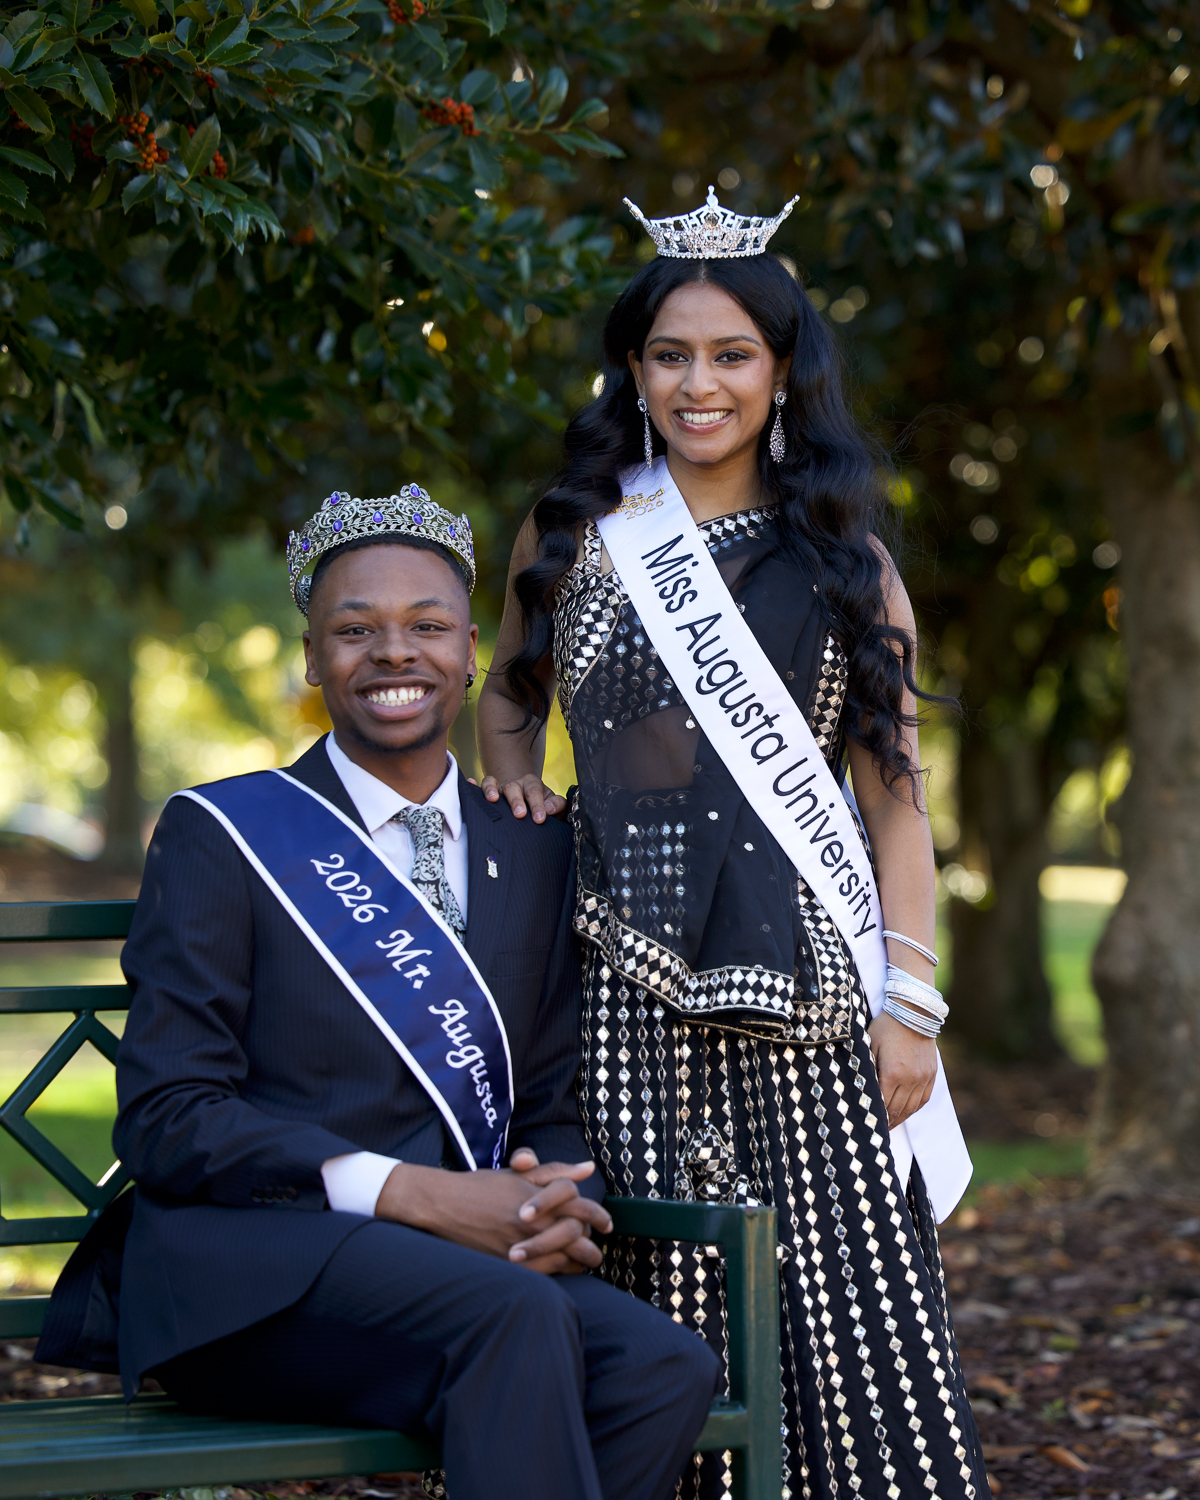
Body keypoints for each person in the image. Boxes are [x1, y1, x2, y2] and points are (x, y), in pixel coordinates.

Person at [36, 488, 719, 1500]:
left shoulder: (531, 845)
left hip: (471, 1282)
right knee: (513, 1321)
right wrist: (417, 1196)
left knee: (665, 1363)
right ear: (312, 659)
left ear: (471, 649)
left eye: (427, 627)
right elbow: (169, 1117)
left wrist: (555, 1202)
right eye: (354, 630)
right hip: (257, 1282)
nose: (394, 654)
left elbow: (544, 1091)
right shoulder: (223, 835)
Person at [476, 187, 990, 1499]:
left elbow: (896, 809)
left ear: (780, 374)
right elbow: (509, 708)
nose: (697, 384)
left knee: (839, 1317)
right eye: (669, 355)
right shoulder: (579, 531)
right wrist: (518, 785)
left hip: (812, 1003)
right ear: (633, 369)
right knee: (645, 1295)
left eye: (730, 355)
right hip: (615, 988)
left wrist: (913, 1004)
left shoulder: (847, 563)